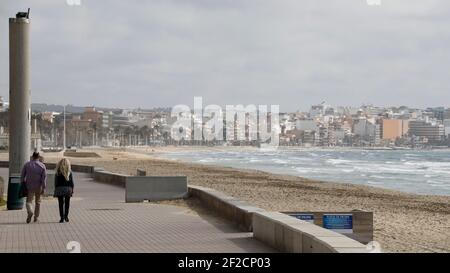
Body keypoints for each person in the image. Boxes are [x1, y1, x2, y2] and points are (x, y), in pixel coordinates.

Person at [21, 152, 47, 224]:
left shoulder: (27, 164)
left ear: (32, 157)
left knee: (29, 201)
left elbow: (22, 175)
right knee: (38, 202)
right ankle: (36, 217)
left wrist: (22, 184)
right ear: (38, 157)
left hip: (29, 186)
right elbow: (44, 178)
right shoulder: (42, 166)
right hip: (39, 186)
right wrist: (44, 187)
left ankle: (30, 211)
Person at [54, 158, 74, 223]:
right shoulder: (69, 171)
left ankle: (61, 218)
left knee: (60, 203)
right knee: (67, 203)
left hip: (60, 189)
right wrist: (72, 189)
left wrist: (56, 188)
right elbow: (72, 182)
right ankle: (66, 217)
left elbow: (56, 182)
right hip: (68, 189)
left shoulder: (58, 172)